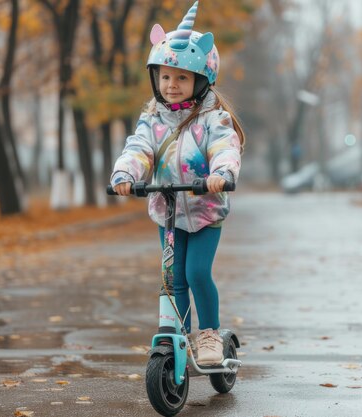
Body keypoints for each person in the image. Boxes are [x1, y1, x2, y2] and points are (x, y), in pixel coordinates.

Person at [110, 0, 244, 366]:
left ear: (201, 81)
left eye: (182, 78)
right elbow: (139, 149)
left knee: (196, 272)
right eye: (166, 76)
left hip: (205, 210)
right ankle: (177, 337)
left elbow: (224, 148)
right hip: (167, 210)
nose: (172, 85)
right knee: (172, 280)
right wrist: (126, 175)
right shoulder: (152, 120)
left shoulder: (212, 119)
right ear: (156, 78)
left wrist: (221, 175)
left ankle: (210, 334)